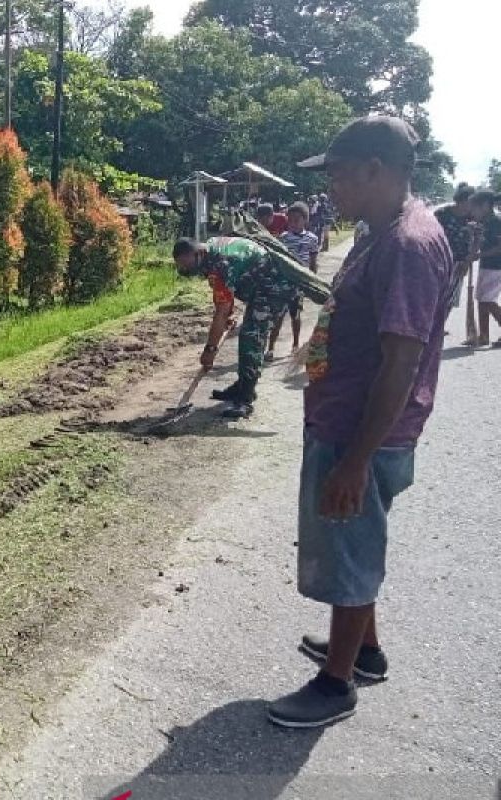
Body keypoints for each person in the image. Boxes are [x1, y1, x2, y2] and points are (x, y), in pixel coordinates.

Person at [268, 115, 453, 729]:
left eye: (339, 175)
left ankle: (335, 684)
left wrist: (354, 459)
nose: (331, 189)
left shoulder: (407, 244)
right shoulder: (383, 231)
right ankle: (364, 650)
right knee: (355, 539)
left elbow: (400, 362)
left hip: (361, 435)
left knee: (350, 546)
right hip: (347, 419)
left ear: (376, 169)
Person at [172, 236, 298, 419]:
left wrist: (211, 349)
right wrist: (227, 313)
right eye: (181, 266)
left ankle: (245, 399)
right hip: (259, 286)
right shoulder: (211, 249)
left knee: (251, 337)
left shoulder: (221, 264)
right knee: (248, 333)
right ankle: (241, 387)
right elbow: (225, 295)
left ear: (198, 253)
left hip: (276, 286)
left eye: (186, 264)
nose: (184, 269)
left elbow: (220, 311)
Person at [268, 202, 322, 359]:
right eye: (290, 220)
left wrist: (312, 281)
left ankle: (295, 344)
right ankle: (270, 348)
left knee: (295, 315)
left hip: (300, 283)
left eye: (296, 220)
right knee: (278, 315)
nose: (292, 223)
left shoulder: (312, 239)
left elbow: (313, 261)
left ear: (305, 220)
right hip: (284, 282)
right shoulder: (283, 238)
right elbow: (278, 261)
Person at [434, 184, 481, 334]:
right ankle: (430, 323)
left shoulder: (473, 218)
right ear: (461, 200)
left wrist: (468, 261)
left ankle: (439, 325)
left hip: (460, 261)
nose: (472, 206)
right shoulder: (442, 214)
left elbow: (477, 241)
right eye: (470, 202)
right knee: (435, 294)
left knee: (451, 297)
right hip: (438, 260)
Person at [471, 192, 501, 345]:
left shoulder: (496, 221)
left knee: (488, 300)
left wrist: (480, 255)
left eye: (475, 207)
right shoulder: (484, 221)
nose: (473, 211)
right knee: (481, 300)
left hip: (496, 267)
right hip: (485, 266)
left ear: (485, 206)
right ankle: (483, 336)